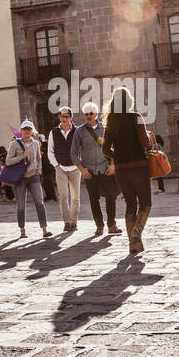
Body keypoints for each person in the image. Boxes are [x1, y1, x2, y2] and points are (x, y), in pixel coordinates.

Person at [101, 86, 153, 253]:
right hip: (139, 167)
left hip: (121, 170)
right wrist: (149, 141)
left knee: (130, 204)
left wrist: (115, 156)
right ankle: (136, 231)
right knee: (145, 203)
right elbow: (145, 143)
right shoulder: (136, 117)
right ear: (129, 101)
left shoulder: (110, 122)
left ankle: (134, 244)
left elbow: (105, 148)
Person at [71, 102, 120, 237]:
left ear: (96, 114)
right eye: (86, 114)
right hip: (89, 171)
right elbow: (73, 153)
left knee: (111, 197)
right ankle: (99, 226)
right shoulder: (79, 131)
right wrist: (81, 169)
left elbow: (116, 147)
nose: (88, 116)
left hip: (105, 168)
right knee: (94, 199)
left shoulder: (106, 129)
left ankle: (112, 224)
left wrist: (113, 165)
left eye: (91, 114)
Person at [6, 121, 52, 240]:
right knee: (21, 205)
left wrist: (39, 171)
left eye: (29, 129)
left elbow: (39, 159)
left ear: (32, 131)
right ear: (21, 131)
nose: (27, 131)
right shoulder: (14, 144)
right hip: (20, 178)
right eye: (24, 129)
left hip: (33, 176)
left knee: (39, 202)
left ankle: (44, 229)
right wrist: (22, 156)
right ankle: (22, 230)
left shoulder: (36, 144)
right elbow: (8, 161)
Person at [47, 107, 81, 231]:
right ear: (59, 117)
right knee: (63, 196)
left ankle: (74, 222)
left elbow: (81, 149)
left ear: (71, 118)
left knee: (75, 197)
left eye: (66, 116)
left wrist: (79, 163)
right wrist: (56, 165)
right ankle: (66, 222)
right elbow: (50, 151)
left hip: (75, 168)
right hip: (60, 167)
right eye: (62, 116)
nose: (64, 119)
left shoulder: (77, 131)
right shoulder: (54, 132)